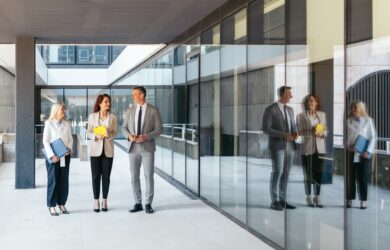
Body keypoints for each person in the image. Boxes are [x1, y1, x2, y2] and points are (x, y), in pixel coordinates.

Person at [122, 86, 163, 214]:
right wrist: (129, 136)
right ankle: (138, 202)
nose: (132, 96)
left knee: (148, 175)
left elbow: (160, 129)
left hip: (148, 148)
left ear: (142, 95)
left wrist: (147, 136)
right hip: (133, 147)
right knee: (134, 176)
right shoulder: (130, 110)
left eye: (134, 94)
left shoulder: (153, 110)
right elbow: (123, 128)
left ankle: (148, 203)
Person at [263, 86, 298, 210]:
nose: (291, 96)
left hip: (290, 146)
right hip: (277, 146)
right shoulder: (270, 109)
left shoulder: (290, 110)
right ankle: (274, 201)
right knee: (277, 171)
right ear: (282, 95)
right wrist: (284, 135)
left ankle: (283, 199)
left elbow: (293, 127)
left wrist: (295, 134)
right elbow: (266, 129)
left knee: (286, 173)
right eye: (289, 93)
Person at [87, 94, 118, 212]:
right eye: (106, 102)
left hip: (108, 150)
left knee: (106, 177)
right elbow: (88, 132)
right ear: (100, 103)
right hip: (95, 150)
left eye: (109, 102)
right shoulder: (92, 117)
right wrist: (96, 135)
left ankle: (105, 200)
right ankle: (96, 201)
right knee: (95, 177)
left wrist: (109, 135)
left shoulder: (113, 117)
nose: (108, 104)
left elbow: (115, 132)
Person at [42, 103, 73, 216]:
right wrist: (52, 155)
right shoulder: (49, 124)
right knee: (53, 181)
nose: (63, 111)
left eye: (64, 109)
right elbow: (45, 141)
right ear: (55, 111)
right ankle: (51, 205)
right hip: (53, 158)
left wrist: (69, 148)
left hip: (64, 156)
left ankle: (62, 204)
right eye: (61, 109)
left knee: (64, 181)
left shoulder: (67, 124)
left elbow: (70, 138)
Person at [297, 94, 327, 208]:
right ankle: (308, 196)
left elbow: (325, 130)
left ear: (316, 103)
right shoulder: (300, 116)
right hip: (307, 148)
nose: (310, 103)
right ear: (306, 104)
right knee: (308, 174)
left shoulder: (322, 115)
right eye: (309, 101)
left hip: (319, 148)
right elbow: (299, 131)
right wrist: (311, 132)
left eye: (312, 101)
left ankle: (317, 197)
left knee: (318, 174)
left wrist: (321, 133)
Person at [346, 100, 376, 209]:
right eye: (352, 108)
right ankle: (349, 199)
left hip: (364, 153)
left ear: (361, 108)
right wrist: (347, 145)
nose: (353, 110)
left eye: (355, 108)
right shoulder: (348, 121)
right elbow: (345, 137)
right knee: (351, 176)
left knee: (362, 177)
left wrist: (368, 151)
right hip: (351, 152)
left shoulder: (368, 121)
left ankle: (363, 200)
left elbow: (372, 137)